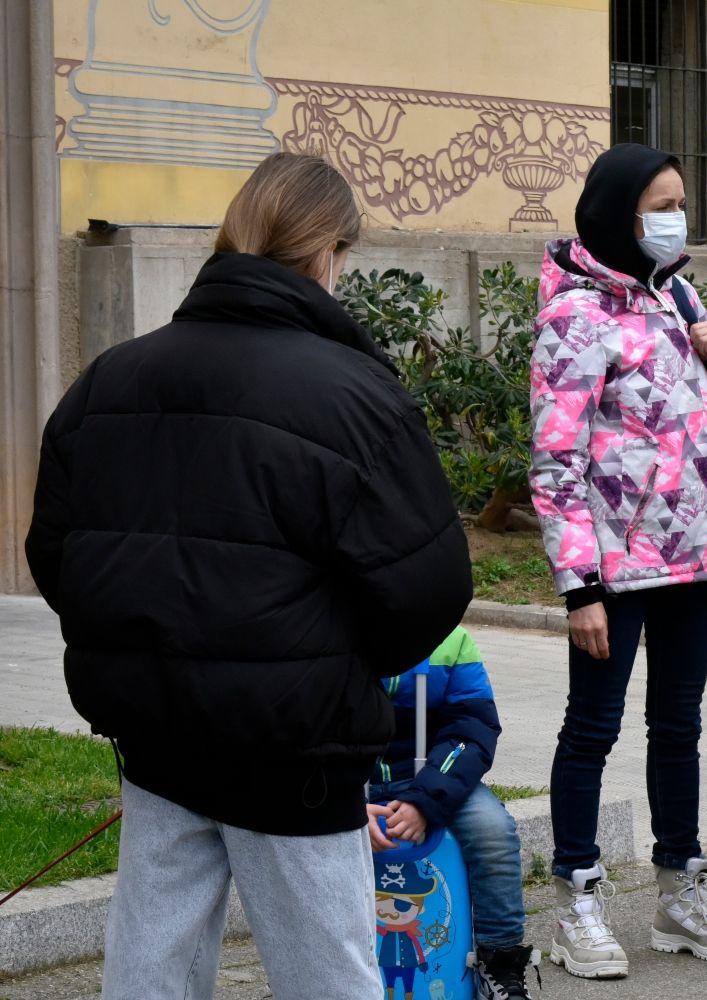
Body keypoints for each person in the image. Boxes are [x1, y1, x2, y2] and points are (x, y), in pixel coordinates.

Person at [24, 152, 473, 1000]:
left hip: (156, 729)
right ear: (328, 255)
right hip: (291, 746)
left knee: (150, 970)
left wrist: (141, 644)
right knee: (328, 977)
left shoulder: (111, 379)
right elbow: (428, 591)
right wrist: (329, 658)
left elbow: (56, 555)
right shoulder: (355, 395)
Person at [529, 142, 707, 979]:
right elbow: (557, 463)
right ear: (620, 213)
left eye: (681, 202)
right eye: (662, 204)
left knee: (680, 726)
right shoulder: (576, 316)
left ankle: (678, 890)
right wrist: (577, 586)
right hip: (614, 573)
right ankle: (577, 898)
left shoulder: (678, 294)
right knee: (591, 729)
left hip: (694, 558)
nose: (677, 219)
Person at [365, 626, 536, 999]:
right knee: (306, 839)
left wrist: (424, 799)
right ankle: (305, 963)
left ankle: (500, 964)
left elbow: (472, 729)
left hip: (434, 774)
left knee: (492, 829)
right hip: (343, 779)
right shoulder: (326, 628)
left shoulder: (452, 642)